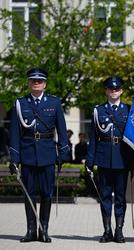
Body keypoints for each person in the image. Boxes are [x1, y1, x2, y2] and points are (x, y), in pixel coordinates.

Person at [8, 67, 69, 243]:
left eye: (39, 81)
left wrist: (63, 153)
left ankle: (44, 230)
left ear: (45, 84)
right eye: (33, 81)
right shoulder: (20, 103)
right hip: (27, 155)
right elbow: (14, 133)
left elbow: (62, 130)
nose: (36, 83)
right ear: (29, 83)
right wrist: (14, 158)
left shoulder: (54, 103)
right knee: (29, 194)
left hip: (47, 154)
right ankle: (30, 230)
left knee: (46, 193)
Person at [85, 76, 134, 243]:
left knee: (120, 197)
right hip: (104, 158)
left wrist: (133, 162)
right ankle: (107, 230)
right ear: (106, 91)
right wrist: (90, 161)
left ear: (121, 90)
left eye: (116, 89)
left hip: (123, 159)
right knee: (105, 196)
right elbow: (93, 139)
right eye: (110, 89)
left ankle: (119, 230)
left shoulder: (129, 110)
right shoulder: (98, 111)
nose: (114, 91)